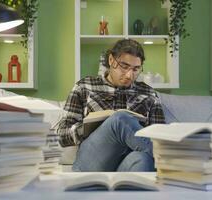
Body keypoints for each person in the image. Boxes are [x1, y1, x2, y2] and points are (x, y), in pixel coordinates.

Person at [56, 39, 165, 172]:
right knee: (120, 119)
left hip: (127, 163)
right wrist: (89, 127)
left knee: (143, 159)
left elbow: (161, 137)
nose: (130, 75)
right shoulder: (84, 86)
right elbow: (61, 135)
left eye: (136, 69)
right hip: (92, 161)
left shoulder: (149, 94)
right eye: (124, 66)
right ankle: (171, 161)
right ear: (111, 61)